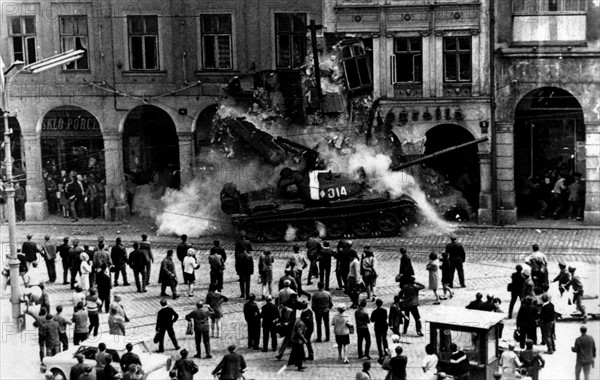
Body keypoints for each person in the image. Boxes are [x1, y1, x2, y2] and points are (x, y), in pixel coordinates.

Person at [286, 303, 309, 372]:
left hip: (293, 338)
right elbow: (299, 333)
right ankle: (299, 366)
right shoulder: (302, 323)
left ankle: (291, 361)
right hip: (298, 340)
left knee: (294, 351)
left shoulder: (298, 320)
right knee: (299, 353)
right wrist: (304, 339)